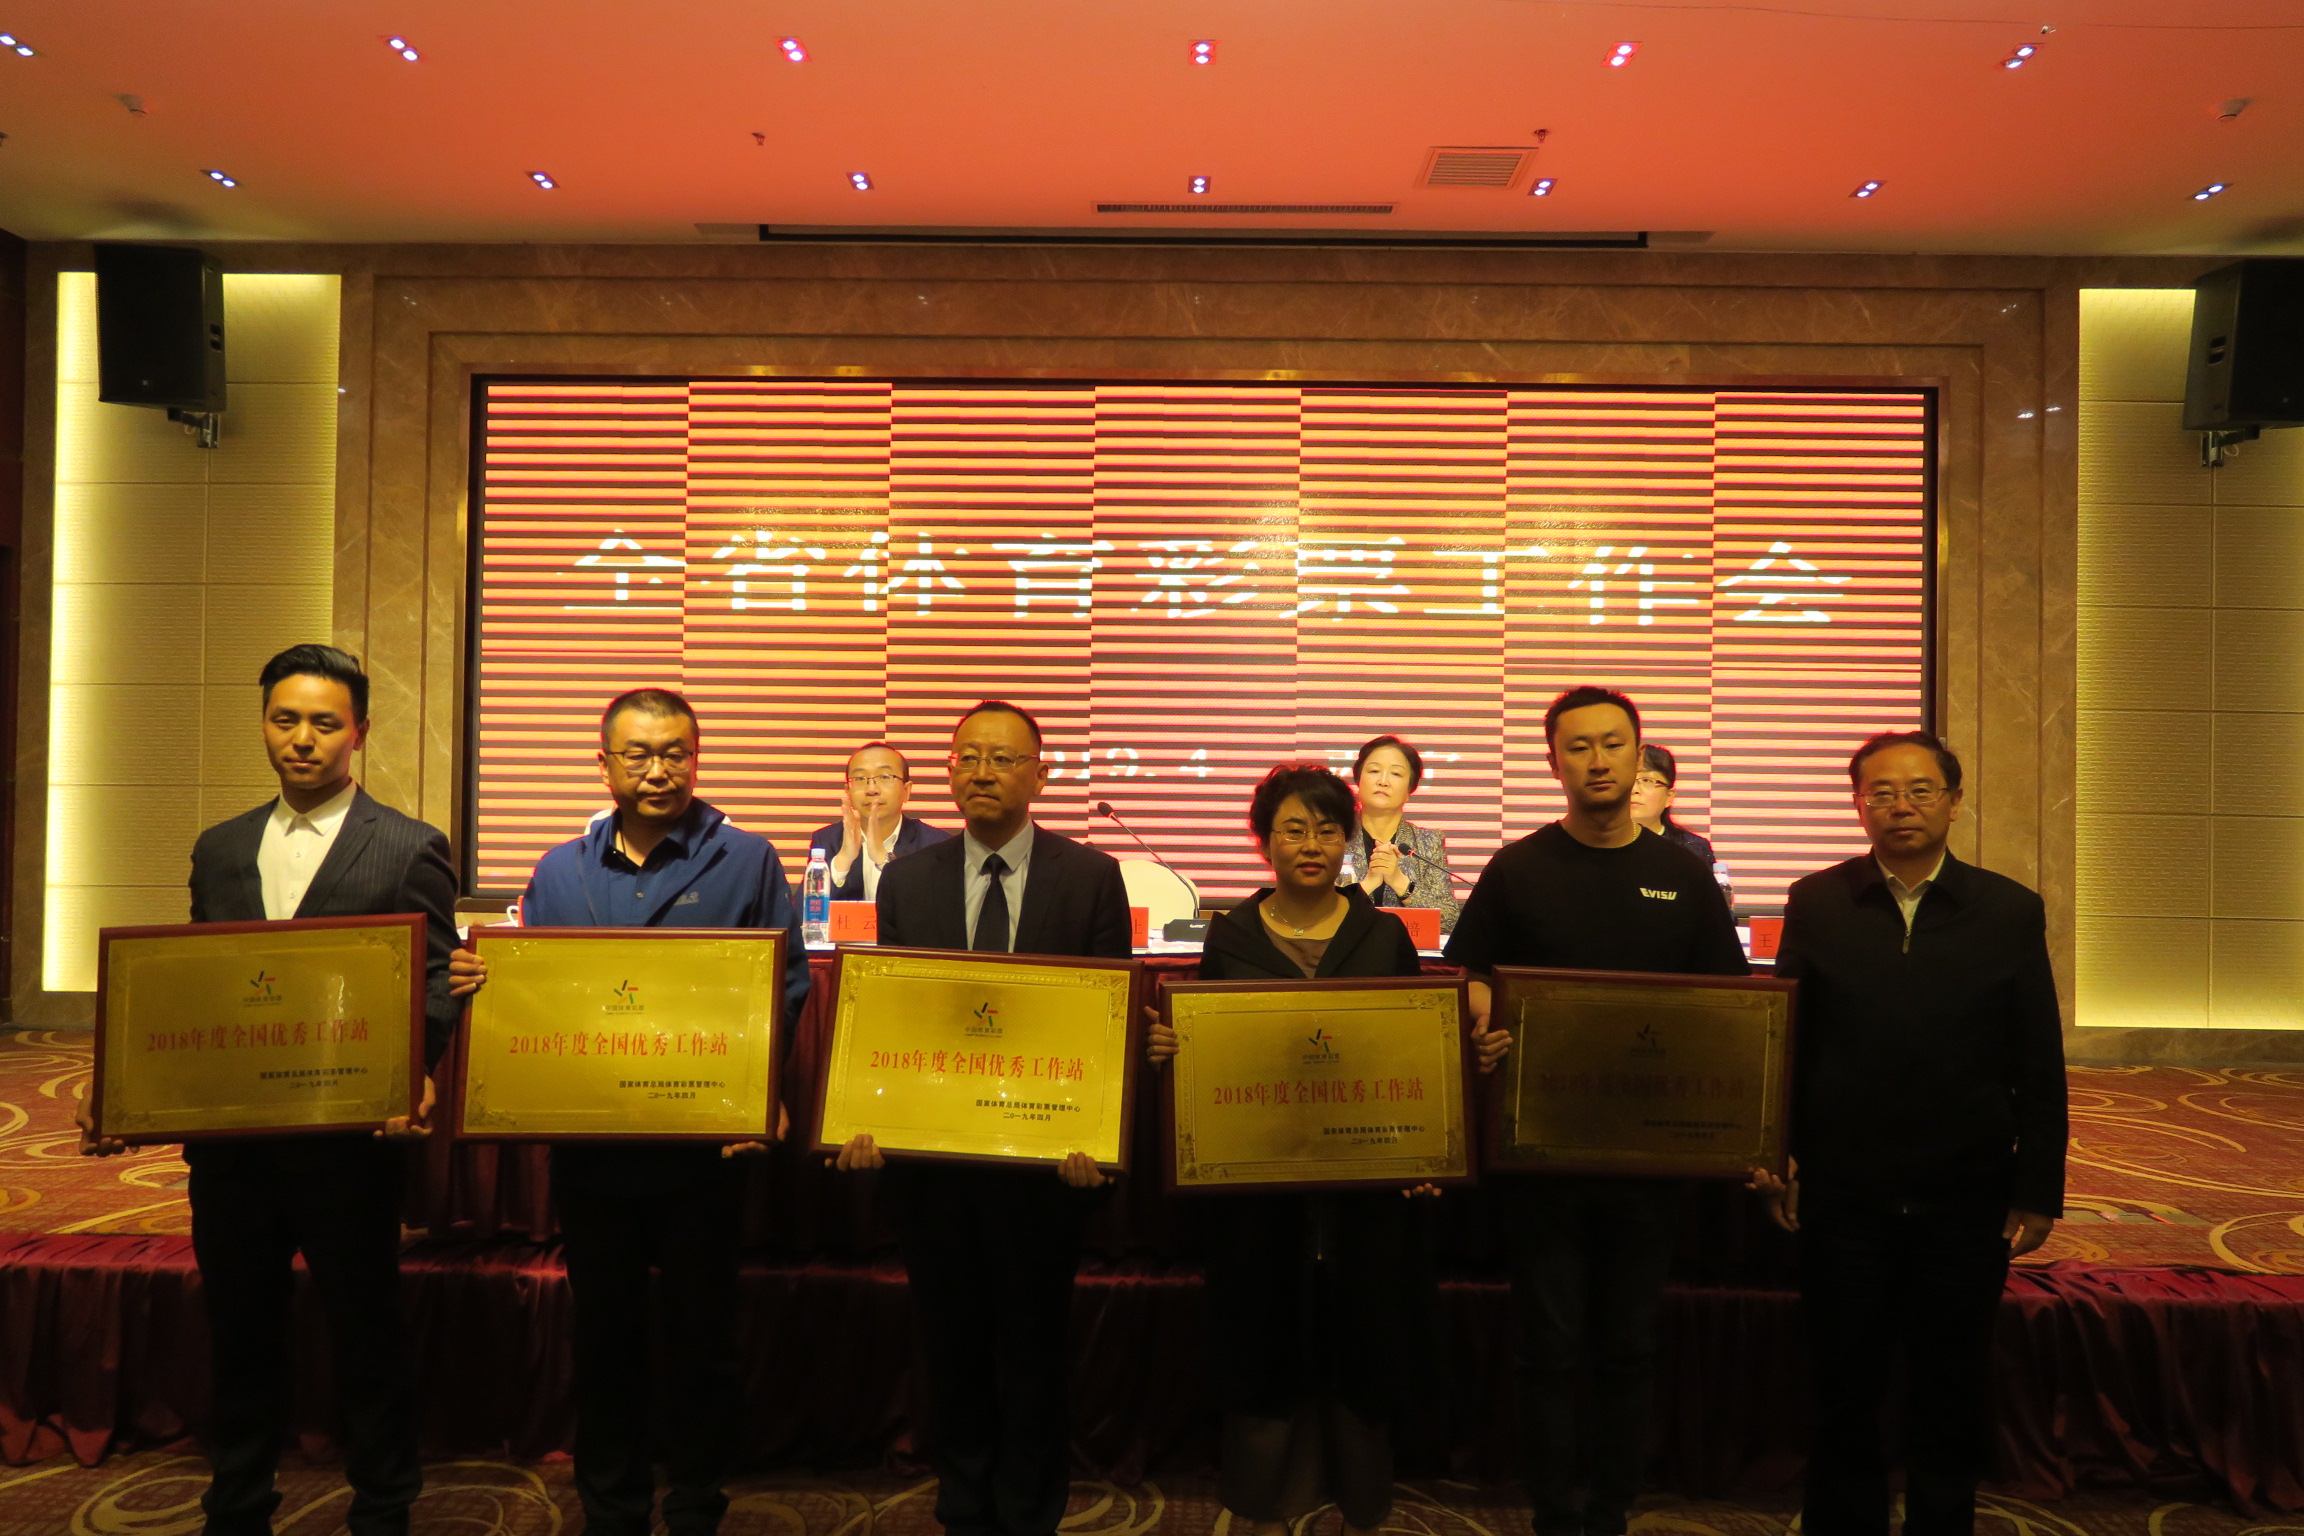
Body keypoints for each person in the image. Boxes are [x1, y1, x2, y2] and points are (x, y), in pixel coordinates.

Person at [78, 644, 457, 1536]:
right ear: (263, 726)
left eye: (324, 723)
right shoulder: (219, 847)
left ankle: (384, 1507)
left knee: (366, 1332)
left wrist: (414, 1069)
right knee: (240, 1332)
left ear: (359, 732)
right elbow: (194, 982)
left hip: (349, 1143)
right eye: (285, 720)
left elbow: (436, 977)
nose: (303, 739)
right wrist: (124, 1081)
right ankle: (239, 1503)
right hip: (235, 1146)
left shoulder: (409, 846)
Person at [448, 688, 811, 1536]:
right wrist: (484, 983)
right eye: (638, 753)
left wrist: (756, 1093)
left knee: (702, 1337)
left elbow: (786, 988)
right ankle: (611, 1506)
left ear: (697, 758)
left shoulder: (747, 861)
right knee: (604, 1336)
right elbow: (536, 993)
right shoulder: (558, 870)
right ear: (604, 763)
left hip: (703, 1152)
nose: (658, 770)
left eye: (676, 752)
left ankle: (697, 1503)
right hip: (594, 1153)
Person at [1142, 763, 1504, 1536]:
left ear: (1348, 839)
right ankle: (1267, 1491)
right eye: (1294, 829)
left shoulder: (1382, 934)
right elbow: (1209, 1051)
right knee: (1264, 1328)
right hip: (1260, 1183)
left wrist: (1430, 1134)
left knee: (1364, 1329)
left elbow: (1413, 1047)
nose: (1311, 844)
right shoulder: (1233, 934)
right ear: (1264, 841)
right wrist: (1175, 1049)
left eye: (1327, 829)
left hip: (1365, 1184)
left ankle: (1360, 1490)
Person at [1443, 686, 1748, 1536]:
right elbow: (1471, 974)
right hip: (1540, 1153)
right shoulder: (1518, 868)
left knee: (1628, 1345)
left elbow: (1731, 1004)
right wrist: (1483, 1021)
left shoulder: (1684, 875)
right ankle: (1554, 1509)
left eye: (1613, 744)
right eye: (1578, 747)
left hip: (1648, 1157)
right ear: (1554, 762)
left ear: (1640, 755)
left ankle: (1612, 1507)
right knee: (1548, 1344)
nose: (1598, 760)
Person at [1750, 731, 2066, 1536]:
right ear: (1859, 805)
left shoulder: (2008, 910)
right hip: (1842, 1192)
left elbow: (2037, 1057)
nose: (1901, 806)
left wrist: (2037, 1188)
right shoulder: (1818, 901)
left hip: (1965, 1195)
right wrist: (1777, 1156)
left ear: (1954, 802)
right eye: (1881, 792)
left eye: (1921, 790)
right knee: (1842, 1387)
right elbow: (1788, 1043)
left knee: (1951, 1386)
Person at [834, 700, 1132, 1536]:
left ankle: (1030, 1509)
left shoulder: (1091, 876)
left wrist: (1096, 1138)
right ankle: (963, 1503)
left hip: (1045, 1167)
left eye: (1002, 759)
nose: (982, 773)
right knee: (951, 1344)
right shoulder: (909, 880)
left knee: (1035, 1348)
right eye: (967, 758)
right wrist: (868, 1114)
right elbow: (893, 1017)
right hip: (937, 1167)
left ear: (1040, 775)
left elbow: (1106, 1022)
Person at [1344, 734, 1464, 935]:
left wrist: (1400, 882)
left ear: (1410, 789)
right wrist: (1365, 886)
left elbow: (1449, 921)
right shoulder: (1335, 837)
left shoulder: (1428, 841)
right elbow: (1316, 912)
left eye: (1396, 774)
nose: (1383, 781)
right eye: (1374, 771)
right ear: (1358, 780)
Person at [807, 741, 951, 901]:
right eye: (860, 778)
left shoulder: (935, 844)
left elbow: (940, 909)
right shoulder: (826, 840)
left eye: (884, 777)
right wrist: (842, 862)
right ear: (848, 791)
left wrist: (885, 862)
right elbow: (802, 912)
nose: (872, 789)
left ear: (906, 790)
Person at [1629, 743, 1731, 907]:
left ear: (1669, 797)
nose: (1634, 789)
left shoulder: (1693, 850)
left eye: (1646, 780)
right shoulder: (1601, 844)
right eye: (1629, 779)